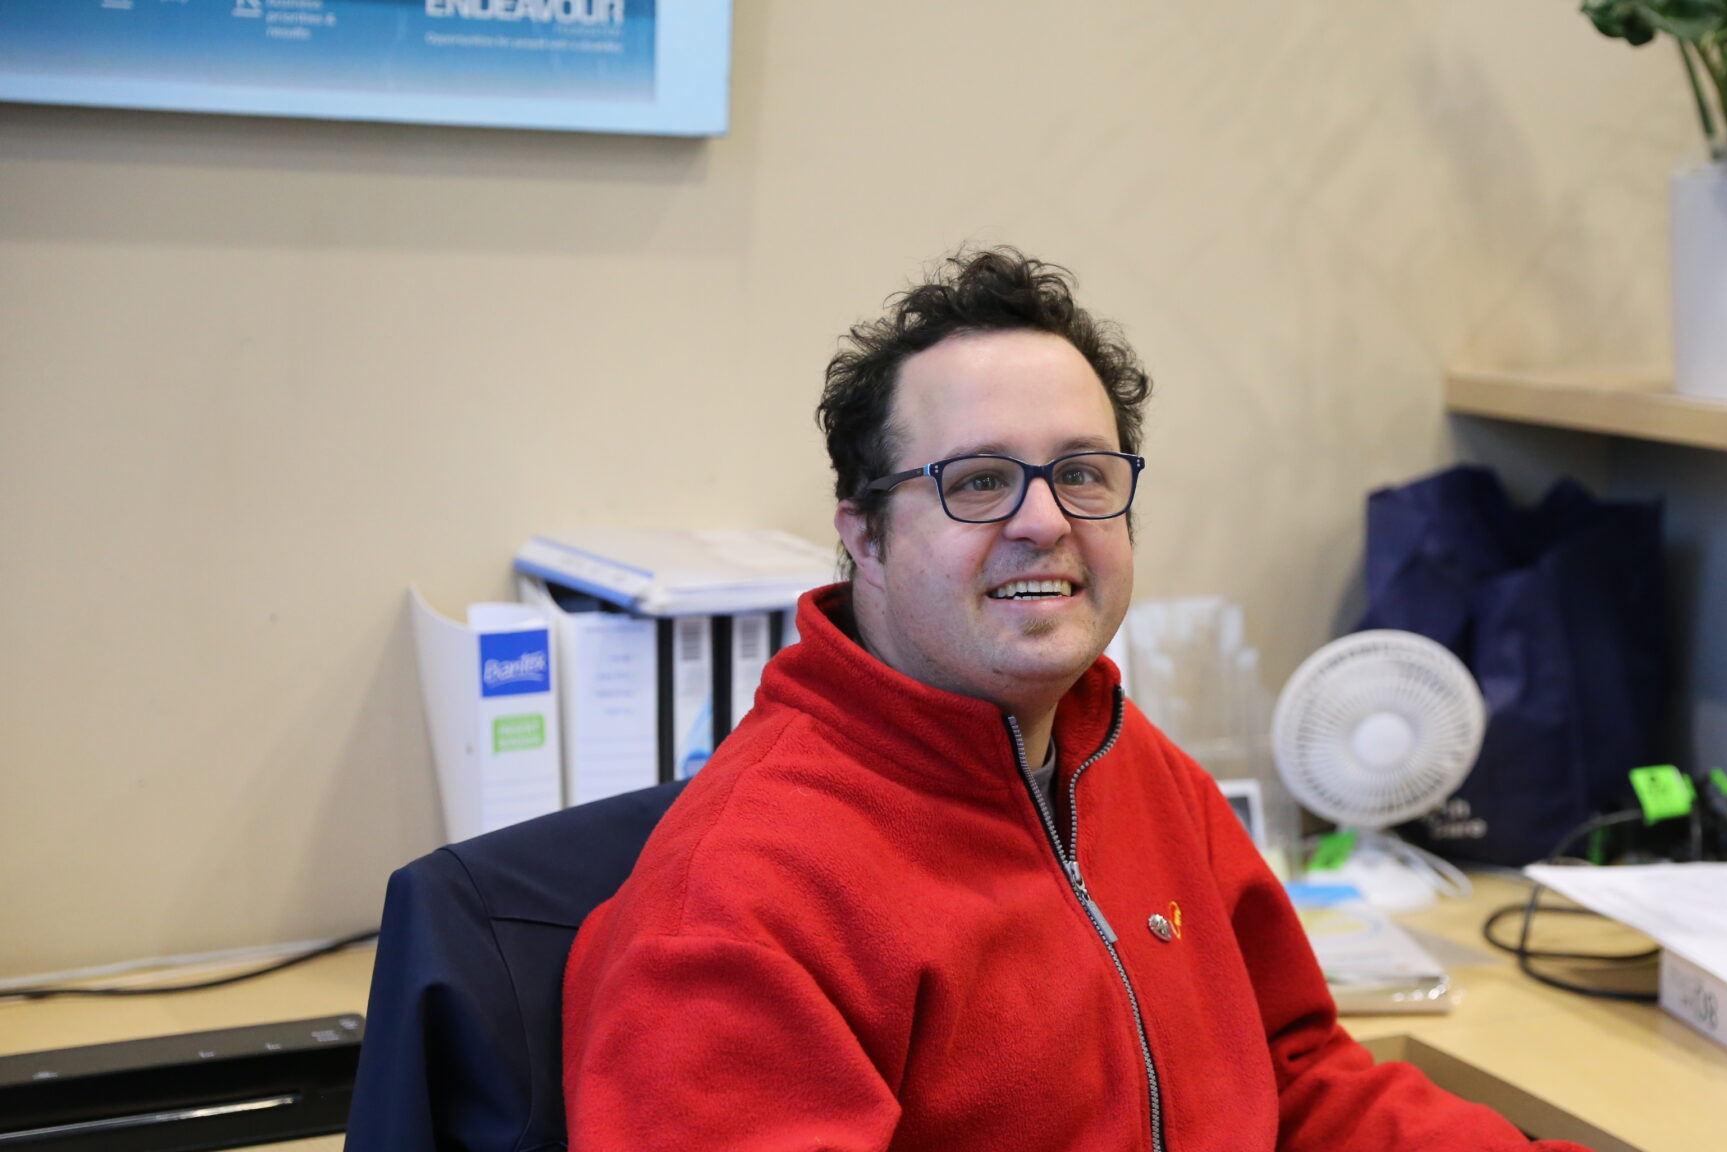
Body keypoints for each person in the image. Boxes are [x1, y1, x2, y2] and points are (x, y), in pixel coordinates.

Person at [561, 248, 1587, 1151]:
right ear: (863, 535)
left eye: (1082, 474)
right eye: (975, 482)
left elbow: (1296, 1086)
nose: (1043, 521)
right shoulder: (740, 896)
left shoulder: (1123, 763)